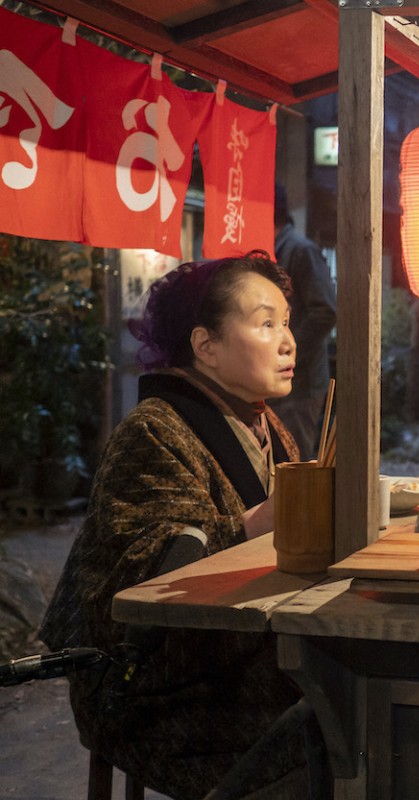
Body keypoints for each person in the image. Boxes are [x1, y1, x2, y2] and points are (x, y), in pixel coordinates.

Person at [39, 252, 315, 800]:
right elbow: (145, 569)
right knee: (336, 716)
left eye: (286, 322)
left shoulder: (264, 422)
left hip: (233, 650)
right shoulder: (152, 431)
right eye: (266, 323)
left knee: (350, 692)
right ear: (206, 346)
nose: (288, 341)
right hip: (154, 685)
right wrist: (254, 523)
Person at [270, 183, 337, 460]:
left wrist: (287, 350)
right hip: (281, 382)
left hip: (301, 382)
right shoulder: (276, 249)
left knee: (293, 465)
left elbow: (325, 312)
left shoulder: (299, 250)